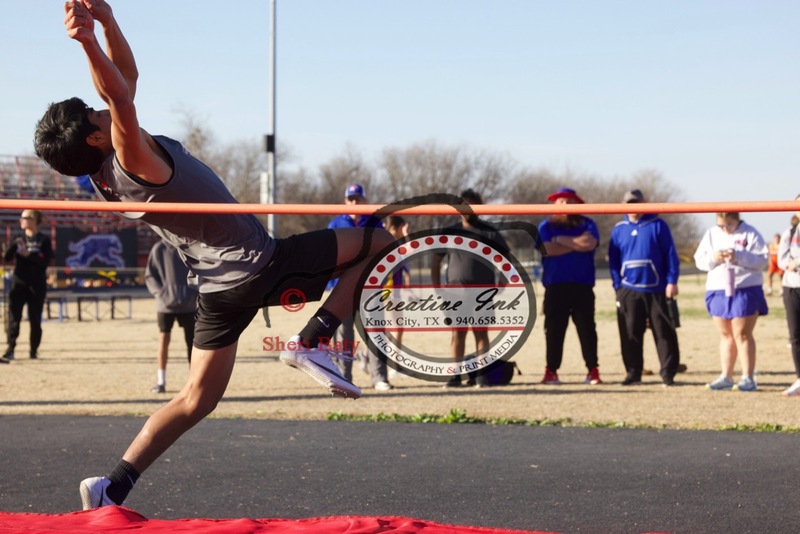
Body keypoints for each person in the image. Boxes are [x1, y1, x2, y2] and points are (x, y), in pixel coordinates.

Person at [34, 0, 391, 509]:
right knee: (379, 243)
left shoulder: (103, 177)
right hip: (257, 263)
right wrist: (88, 40)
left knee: (196, 397)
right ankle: (312, 340)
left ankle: (112, 484)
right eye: (95, 113)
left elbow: (125, 81)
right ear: (96, 135)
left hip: (219, 289)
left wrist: (108, 22)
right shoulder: (131, 158)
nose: (104, 106)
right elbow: (120, 93)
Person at [431, 188, 508, 388]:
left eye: (472, 205)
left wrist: (503, 281)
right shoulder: (449, 232)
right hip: (455, 291)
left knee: (481, 332)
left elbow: (505, 259)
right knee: (458, 332)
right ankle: (455, 376)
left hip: (482, 290)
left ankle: (482, 375)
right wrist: (436, 286)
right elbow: (436, 260)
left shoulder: (490, 231)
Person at [608, 190, 682, 386]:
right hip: (629, 289)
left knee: (663, 331)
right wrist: (617, 286)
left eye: (636, 202)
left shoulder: (657, 225)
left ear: (644, 203)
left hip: (657, 287)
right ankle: (633, 371)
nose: (633, 207)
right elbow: (614, 261)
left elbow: (670, 254)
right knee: (630, 331)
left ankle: (668, 372)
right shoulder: (619, 229)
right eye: (629, 203)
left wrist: (672, 281)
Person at [326, 183, 392, 391]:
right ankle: (342, 377)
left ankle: (379, 377)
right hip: (341, 286)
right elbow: (327, 255)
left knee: (374, 332)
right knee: (343, 335)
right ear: (346, 201)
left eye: (358, 199)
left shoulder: (374, 222)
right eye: (351, 199)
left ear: (365, 201)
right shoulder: (336, 223)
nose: (354, 203)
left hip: (369, 286)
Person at [694, 212, 768, 392]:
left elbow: (762, 261)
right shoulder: (712, 233)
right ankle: (726, 375)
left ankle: (747, 377)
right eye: (722, 225)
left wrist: (739, 256)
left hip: (744, 287)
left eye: (730, 225)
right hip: (718, 288)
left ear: (737, 221)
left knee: (741, 333)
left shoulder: (750, 233)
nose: (726, 229)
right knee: (725, 334)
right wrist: (714, 257)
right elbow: (700, 261)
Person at [536, 187, 602, 385]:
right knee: (554, 330)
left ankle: (593, 370)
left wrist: (560, 241)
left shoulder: (587, 223)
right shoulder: (546, 225)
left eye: (568, 201)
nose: (564, 205)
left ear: (577, 204)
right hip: (555, 285)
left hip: (582, 285)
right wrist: (574, 243)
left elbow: (589, 244)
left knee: (587, 328)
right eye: (560, 201)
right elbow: (546, 249)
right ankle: (551, 371)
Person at [144, 239, 198, 394]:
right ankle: (161, 381)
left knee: (193, 344)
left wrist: (194, 293)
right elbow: (150, 275)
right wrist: (161, 294)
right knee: (163, 340)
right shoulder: (159, 248)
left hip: (188, 304)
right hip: (165, 306)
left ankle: (193, 382)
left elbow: (200, 271)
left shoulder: (190, 247)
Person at [2, 210, 53, 361]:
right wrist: (13, 246)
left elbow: (45, 263)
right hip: (19, 283)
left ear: (33, 220)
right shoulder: (18, 238)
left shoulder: (44, 240)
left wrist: (28, 255)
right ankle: (10, 349)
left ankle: (33, 350)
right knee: (13, 318)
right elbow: (7, 258)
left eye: (24, 218)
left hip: (36, 285)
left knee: (35, 319)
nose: (21, 220)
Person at [778, 198, 800, 396]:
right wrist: (790, 264)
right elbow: (781, 260)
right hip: (792, 287)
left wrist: (797, 262)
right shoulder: (790, 232)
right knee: (795, 335)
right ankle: (799, 378)